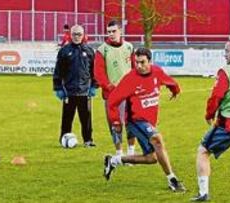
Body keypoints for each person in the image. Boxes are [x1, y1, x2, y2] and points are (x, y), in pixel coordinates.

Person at [103, 48, 186, 193]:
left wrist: (175, 90)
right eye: (136, 62)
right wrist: (116, 122)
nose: (139, 66)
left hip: (149, 121)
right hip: (135, 121)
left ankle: (114, 160)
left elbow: (170, 81)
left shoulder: (157, 72)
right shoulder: (130, 79)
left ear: (150, 62)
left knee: (151, 158)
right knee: (157, 139)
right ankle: (172, 179)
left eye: (142, 62)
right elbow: (112, 101)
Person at [191, 37, 230, 202]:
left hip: (229, 124)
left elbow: (216, 96)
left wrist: (209, 114)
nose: (224, 55)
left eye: (227, 51)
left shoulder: (226, 71)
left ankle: (203, 193)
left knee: (203, 151)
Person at [94, 20, 136, 156]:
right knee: (115, 124)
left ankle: (131, 152)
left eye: (114, 31)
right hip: (112, 95)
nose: (111, 34)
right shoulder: (102, 50)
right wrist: (110, 87)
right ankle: (119, 153)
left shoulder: (129, 47)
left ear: (120, 31)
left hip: (129, 94)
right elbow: (98, 73)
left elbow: (135, 69)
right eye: (109, 32)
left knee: (131, 122)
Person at [53, 25, 97, 147]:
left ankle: (88, 140)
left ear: (83, 35)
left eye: (79, 34)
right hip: (69, 92)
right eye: (74, 34)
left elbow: (94, 71)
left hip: (85, 91)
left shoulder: (89, 51)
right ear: (70, 35)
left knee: (86, 118)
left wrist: (93, 86)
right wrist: (58, 88)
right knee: (67, 118)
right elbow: (58, 71)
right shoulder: (64, 51)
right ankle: (64, 139)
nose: (77, 37)